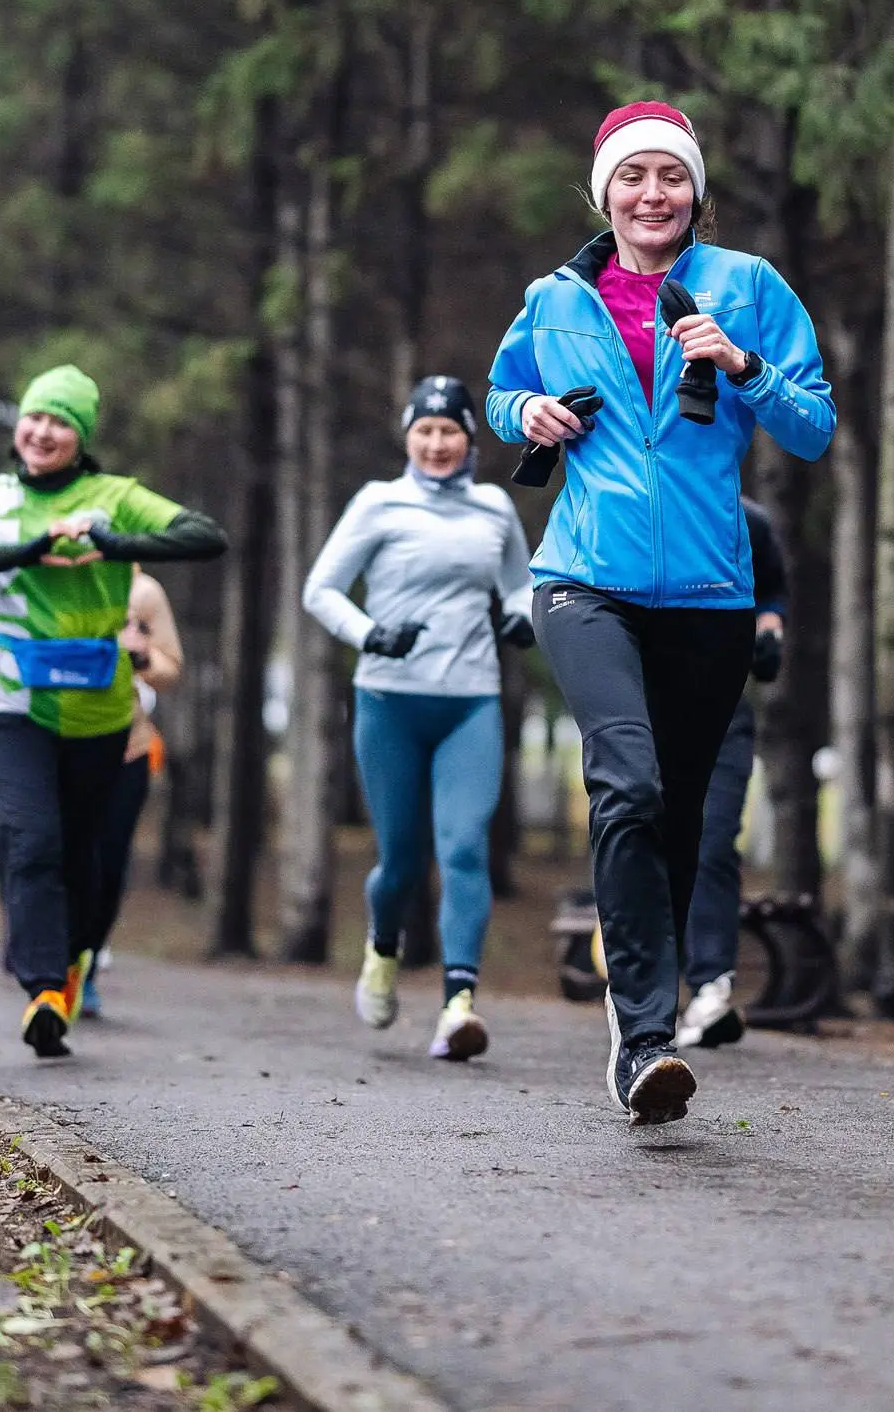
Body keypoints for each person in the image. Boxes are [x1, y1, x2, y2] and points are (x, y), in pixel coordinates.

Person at [488, 102, 834, 1125]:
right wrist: (525, 413)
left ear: (694, 191)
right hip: (582, 578)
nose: (652, 193)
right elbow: (505, 392)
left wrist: (742, 365)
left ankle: (657, 999)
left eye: (669, 177)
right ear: (605, 191)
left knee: (678, 818)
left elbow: (810, 427)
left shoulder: (751, 287)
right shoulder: (553, 298)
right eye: (632, 176)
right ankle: (640, 1037)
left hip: (708, 591)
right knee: (627, 781)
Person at [0, 365, 227, 1058]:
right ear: (18, 425)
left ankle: (75, 959)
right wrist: (27, 549)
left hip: (100, 710)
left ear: (81, 438)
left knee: (88, 857)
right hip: (12, 697)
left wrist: (111, 543)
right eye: (35, 417)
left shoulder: (113, 496)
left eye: (61, 422)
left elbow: (205, 535)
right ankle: (44, 989)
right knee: (31, 840)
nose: (43, 431)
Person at [303, 375, 534, 1063]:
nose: (437, 443)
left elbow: (518, 579)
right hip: (389, 701)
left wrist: (520, 613)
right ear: (408, 435)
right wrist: (370, 634)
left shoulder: (493, 507)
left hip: (470, 700)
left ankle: (459, 1001)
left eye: (450, 431)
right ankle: (382, 949)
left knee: (464, 846)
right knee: (400, 861)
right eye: (425, 431)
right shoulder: (379, 502)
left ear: (469, 439)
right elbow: (321, 588)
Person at [675, 499, 790, 1048]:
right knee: (642, 830)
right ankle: (639, 987)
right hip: (640, 706)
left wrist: (770, 629)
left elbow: (771, 589)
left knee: (715, 841)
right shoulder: (633, 499)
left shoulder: (751, 521)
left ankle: (711, 987)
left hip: (722, 709)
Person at [81, 569, 186, 1020]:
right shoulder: (56, 579)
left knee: (110, 859)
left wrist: (142, 657)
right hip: (62, 741)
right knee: (58, 851)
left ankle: (84, 965)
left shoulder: (143, 593)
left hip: (129, 747)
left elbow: (170, 667)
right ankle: (49, 958)